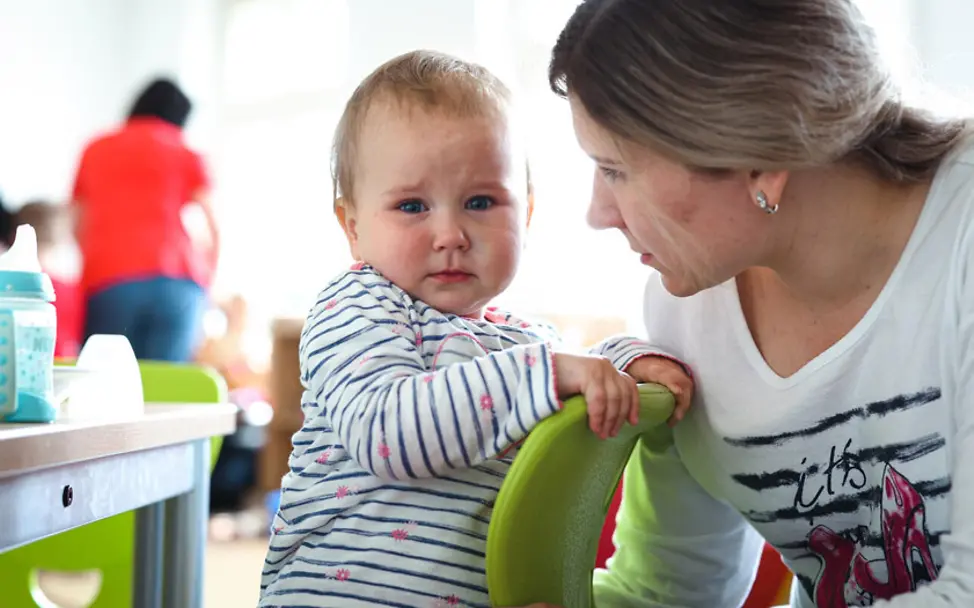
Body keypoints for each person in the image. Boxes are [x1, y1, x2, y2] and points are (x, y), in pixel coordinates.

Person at [513, 1, 974, 607]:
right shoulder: (683, 313)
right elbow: (671, 590)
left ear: (763, 160)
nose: (597, 214)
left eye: (616, 170)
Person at [258, 50, 694, 608]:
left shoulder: (525, 342)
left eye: (481, 202)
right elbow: (390, 433)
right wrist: (556, 371)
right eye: (412, 205)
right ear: (353, 227)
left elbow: (566, 366)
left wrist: (627, 361)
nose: (451, 233)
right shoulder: (357, 306)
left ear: (527, 214)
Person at [71, 77, 218, 362]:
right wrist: (207, 280)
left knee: (104, 381)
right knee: (165, 390)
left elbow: (77, 221)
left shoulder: (95, 149)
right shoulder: (185, 151)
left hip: (110, 279)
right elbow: (212, 225)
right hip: (179, 281)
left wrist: (93, 260)